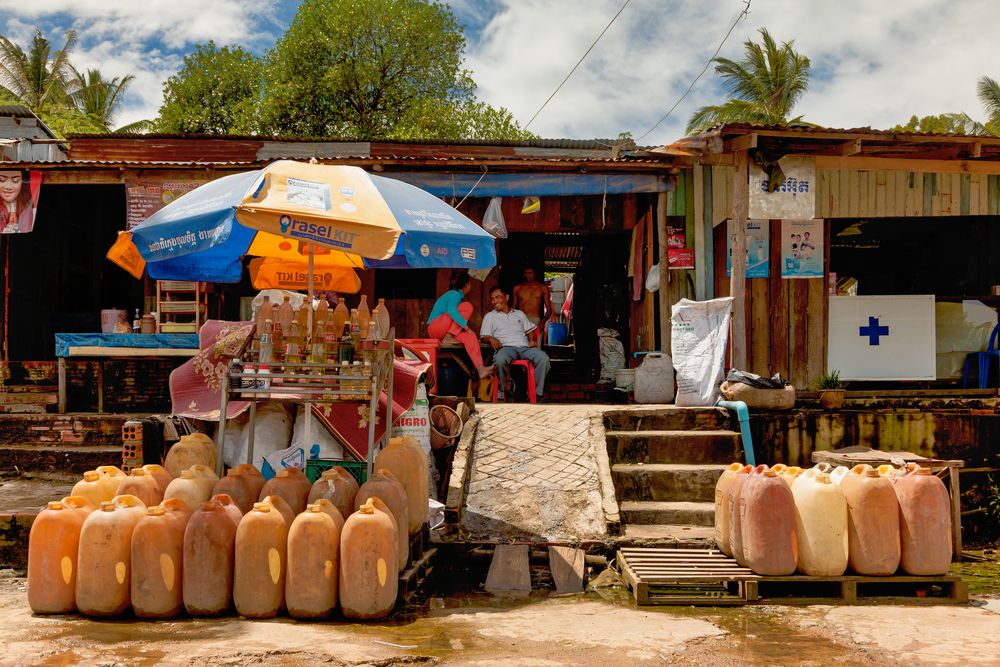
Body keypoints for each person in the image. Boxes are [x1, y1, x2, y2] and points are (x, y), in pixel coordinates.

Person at [481, 285, 551, 401]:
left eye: (498, 297)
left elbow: (530, 331)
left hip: (525, 348)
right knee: (500, 360)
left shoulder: (519, 314)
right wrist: (491, 339)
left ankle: (536, 393)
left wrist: (532, 340)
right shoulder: (490, 316)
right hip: (506, 348)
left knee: (543, 358)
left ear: (507, 297)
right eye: (492, 299)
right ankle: (505, 387)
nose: (494, 301)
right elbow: (484, 336)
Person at [427, 272, 494, 379]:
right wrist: (467, 328)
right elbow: (452, 311)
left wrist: (468, 332)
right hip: (435, 327)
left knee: (471, 337)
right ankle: (449, 336)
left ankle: (481, 368)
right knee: (467, 306)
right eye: (470, 284)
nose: (470, 286)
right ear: (466, 285)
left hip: (444, 333)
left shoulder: (456, 297)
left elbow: (453, 316)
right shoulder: (454, 294)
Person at [512, 266, 553, 347]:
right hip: (520, 321)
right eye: (526, 273)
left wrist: (543, 321)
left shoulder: (542, 288)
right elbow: (513, 307)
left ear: (535, 274)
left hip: (535, 321)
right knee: (520, 348)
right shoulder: (517, 288)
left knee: (535, 349)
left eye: (530, 273)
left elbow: (549, 309)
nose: (528, 276)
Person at [0, 169, 33, 234]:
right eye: (1, 180)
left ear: (23, 182)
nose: (8, 187)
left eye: (15, 181)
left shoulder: (29, 208)